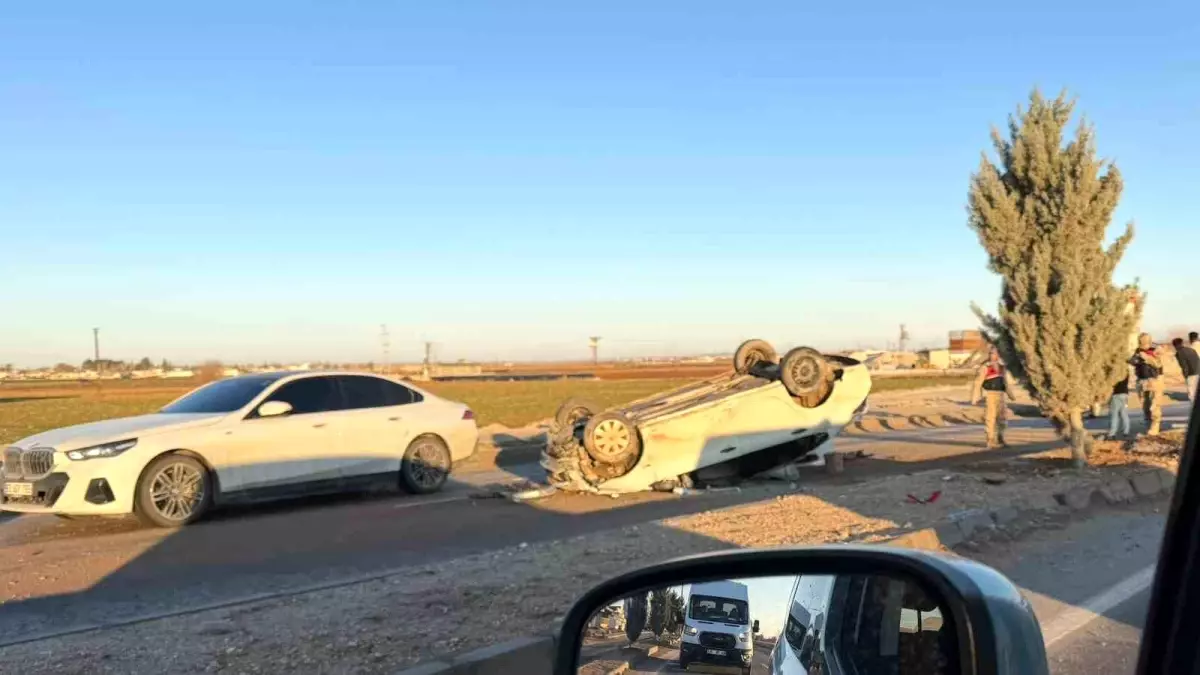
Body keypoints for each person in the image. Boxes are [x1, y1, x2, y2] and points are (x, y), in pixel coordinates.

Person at [971, 347, 1016, 449]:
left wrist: (1011, 395)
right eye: (991, 353)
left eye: (994, 353)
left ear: (998, 355)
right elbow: (978, 383)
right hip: (990, 395)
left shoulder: (1002, 367)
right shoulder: (985, 367)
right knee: (990, 418)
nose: (992, 355)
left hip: (1001, 395)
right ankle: (990, 440)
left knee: (1002, 418)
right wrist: (975, 397)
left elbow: (1006, 383)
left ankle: (1000, 438)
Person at [1130, 333, 1165, 436]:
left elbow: (1158, 363)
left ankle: (1155, 426)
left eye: (1143, 342)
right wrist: (1134, 360)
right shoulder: (1138, 351)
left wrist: (1146, 357)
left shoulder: (1156, 349)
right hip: (1141, 380)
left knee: (1154, 405)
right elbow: (1133, 361)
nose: (1142, 344)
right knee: (1145, 404)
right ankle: (1148, 425)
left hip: (1154, 380)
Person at [1107, 368, 1132, 439]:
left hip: (1116, 395)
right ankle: (1126, 432)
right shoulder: (1126, 371)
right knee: (1124, 414)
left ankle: (1112, 434)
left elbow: (1111, 382)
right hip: (1125, 395)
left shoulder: (1115, 371)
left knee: (1114, 415)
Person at [1173, 337, 1200, 403]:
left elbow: (1184, 366)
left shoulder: (1179, 353)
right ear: (1182, 343)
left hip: (1191, 373)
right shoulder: (1191, 349)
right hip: (1198, 371)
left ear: (1175, 345)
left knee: (1192, 391)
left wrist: (1185, 375)